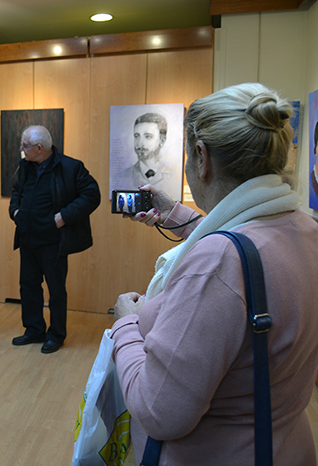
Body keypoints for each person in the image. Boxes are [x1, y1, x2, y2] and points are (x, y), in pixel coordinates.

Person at [111, 83, 318, 465]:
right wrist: (176, 213)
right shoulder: (303, 227)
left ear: (202, 157)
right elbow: (247, 242)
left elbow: (159, 411)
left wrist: (125, 324)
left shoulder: (216, 262)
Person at [9, 125, 100, 353]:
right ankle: (34, 329)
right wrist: (15, 212)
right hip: (28, 238)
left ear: (39, 148)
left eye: (25, 146)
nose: (21, 149)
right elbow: (16, 191)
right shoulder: (25, 166)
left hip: (54, 242)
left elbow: (92, 195)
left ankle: (56, 334)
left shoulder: (71, 167)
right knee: (28, 286)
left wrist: (64, 217)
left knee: (56, 290)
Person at [120, 113, 173, 191]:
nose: (140, 143)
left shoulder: (173, 175)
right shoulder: (124, 176)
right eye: (137, 136)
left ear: (162, 140)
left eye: (148, 136)